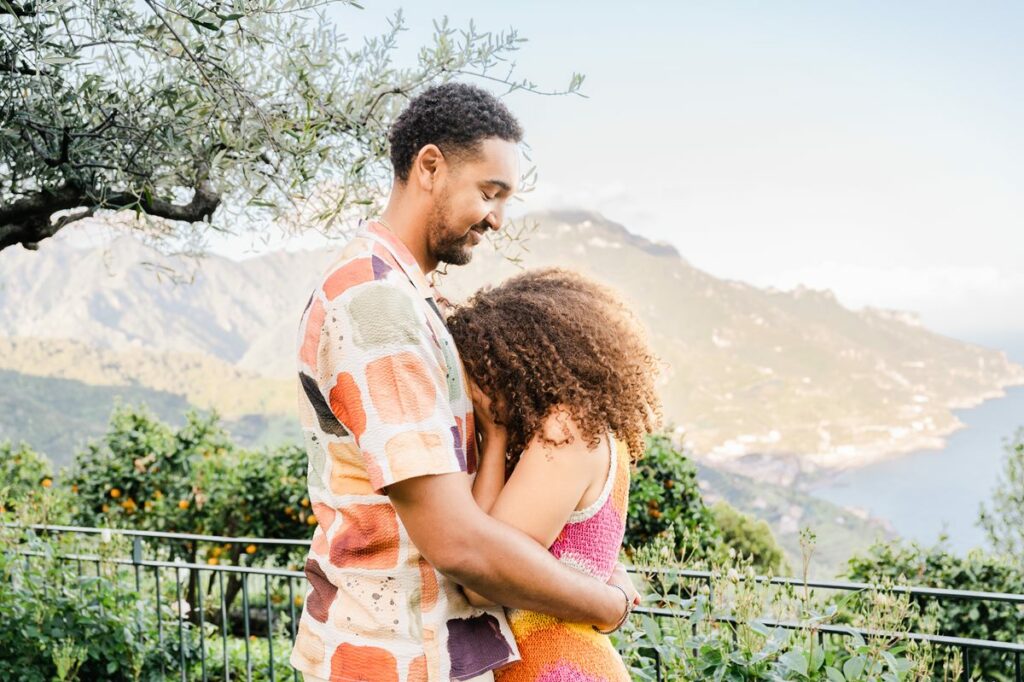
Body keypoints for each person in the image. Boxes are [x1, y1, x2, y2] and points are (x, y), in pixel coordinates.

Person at [289, 82, 639, 682]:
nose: (498, 219)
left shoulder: (410, 299)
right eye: (489, 192)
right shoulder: (378, 308)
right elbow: (458, 544)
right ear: (430, 166)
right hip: (397, 656)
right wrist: (605, 602)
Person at [447, 268, 661, 681]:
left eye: (487, 368)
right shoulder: (596, 428)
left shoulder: (565, 431)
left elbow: (482, 580)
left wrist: (494, 434)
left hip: (558, 668)